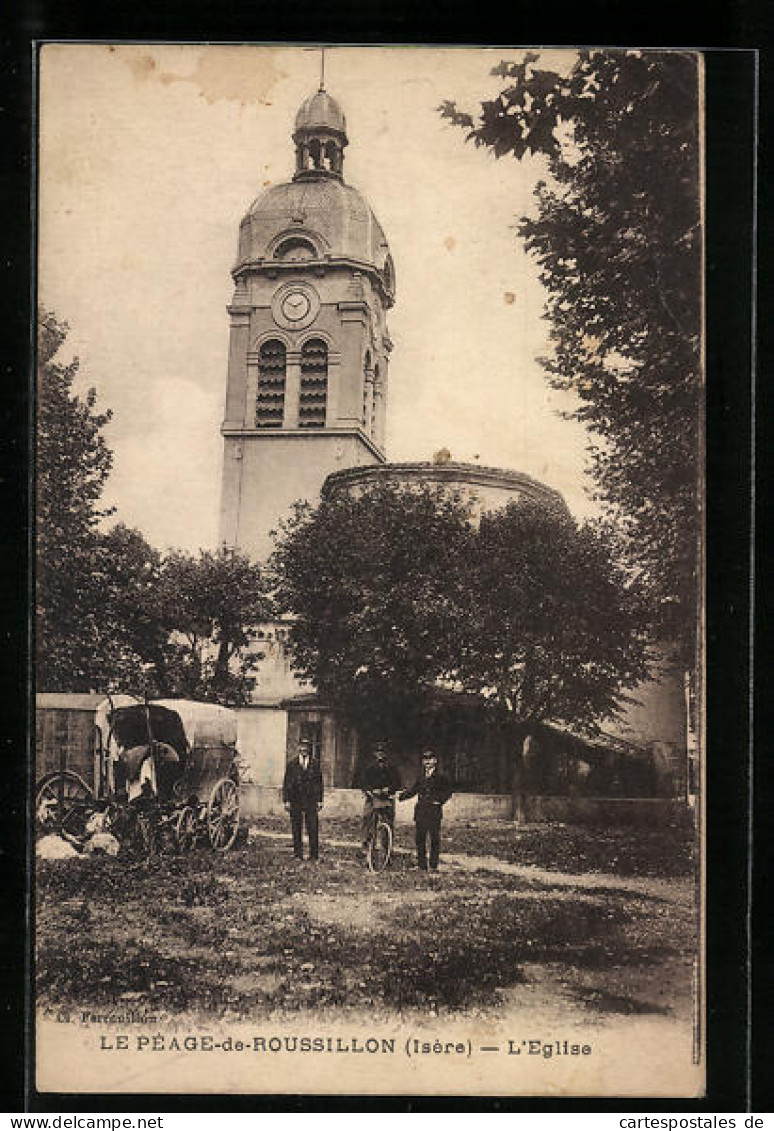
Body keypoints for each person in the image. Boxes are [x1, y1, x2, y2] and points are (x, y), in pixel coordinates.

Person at [398, 749, 453, 873]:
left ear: (435, 761)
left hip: (434, 812)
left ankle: (433, 865)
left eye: (430, 759)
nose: (427, 762)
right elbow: (414, 790)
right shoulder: (421, 776)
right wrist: (401, 797)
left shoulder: (441, 776)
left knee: (434, 839)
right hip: (421, 812)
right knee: (420, 838)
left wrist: (439, 801)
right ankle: (422, 865)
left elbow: (448, 792)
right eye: (425, 760)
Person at [282, 734, 323, 861]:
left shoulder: (315, 764)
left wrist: (320, 800)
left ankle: (314, 855)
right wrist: (286, 800)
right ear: (298, 747)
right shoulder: (292, 764)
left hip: (311, 799)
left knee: (313, 827)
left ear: (309, 748)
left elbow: (319, 783)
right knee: (296, 826)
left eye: (306, 747)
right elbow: (286, 783)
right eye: (302, 746)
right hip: (296, 799)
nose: (304, 749)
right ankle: (298, 854)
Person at [360, 740, 402, 852]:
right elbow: (363, 782)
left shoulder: (392, 767)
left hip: (387, 798)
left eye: (382, 751)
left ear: (386, 753)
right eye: (378, 751)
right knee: (367, 818)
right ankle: (366, 846)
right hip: (372, 798)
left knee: (387, 822)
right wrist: (369, 791)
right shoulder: (369, 767)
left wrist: (388, 790)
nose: (380, 754)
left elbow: (397, 783)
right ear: (374, 753)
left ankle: (387, 849)